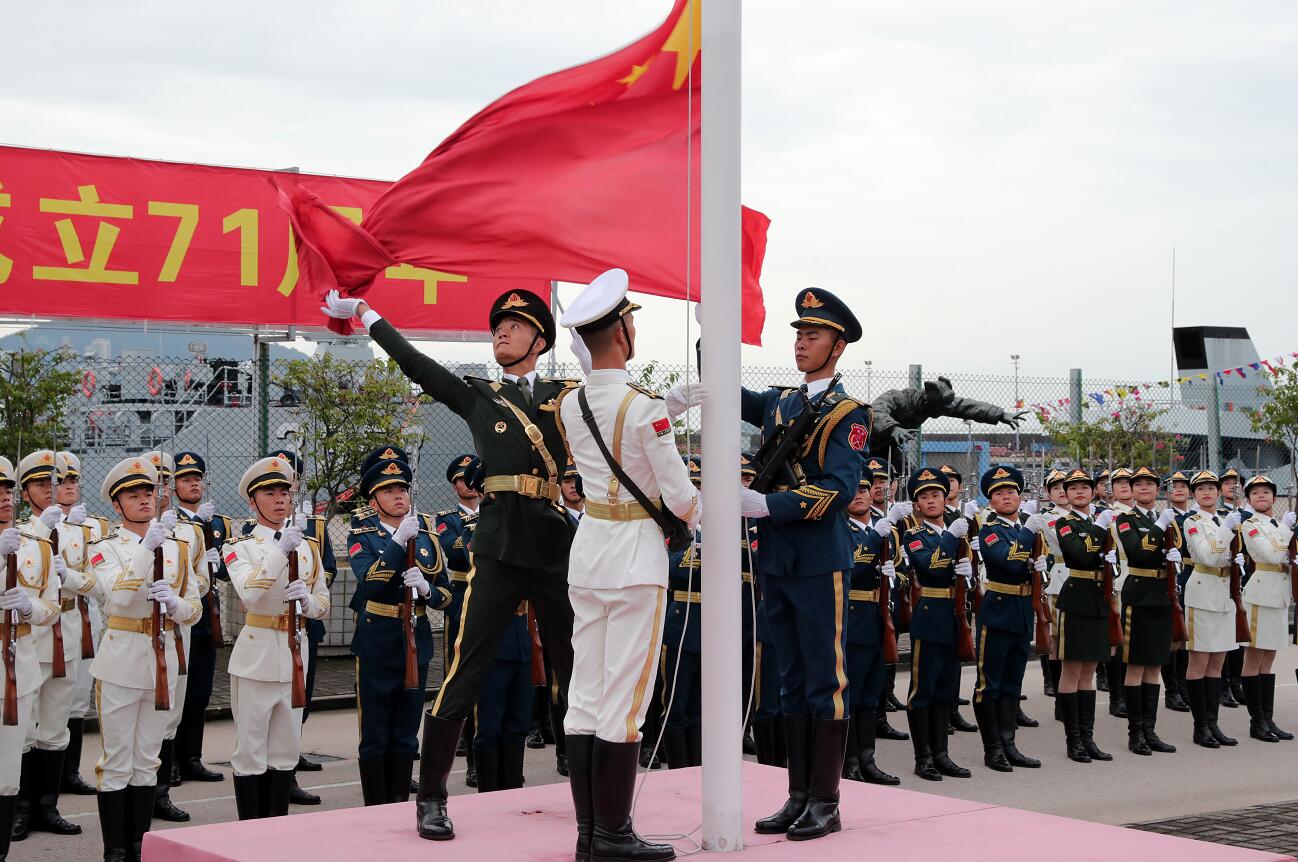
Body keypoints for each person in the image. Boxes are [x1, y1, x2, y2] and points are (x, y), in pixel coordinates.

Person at [322, 285, 702, 841]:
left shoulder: (565, 396)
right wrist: (367, 315)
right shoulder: (479, 395)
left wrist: (674, 403)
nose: (500, 331)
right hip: (498, 547)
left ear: (540, 340)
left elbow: (619, 406)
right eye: (496, 325)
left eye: (514, 325)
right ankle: (430, 797)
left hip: (554, 548)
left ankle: (598, 808)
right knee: (464, 669)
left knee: (581, 669)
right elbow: (416, 364)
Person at [557, 269, 701, 862]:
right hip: (636, 558)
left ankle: (591, 833)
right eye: (631, 321)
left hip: (589, 551)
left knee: (586, 694)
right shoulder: (645, 410)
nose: (633, 328)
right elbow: (681, 499)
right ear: (621, 332)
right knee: (626, 696)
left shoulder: (569, 404)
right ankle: (614, 835)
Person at [739, 288, 870, 841]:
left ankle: (827, 800)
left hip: (818, 561)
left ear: (837, 347)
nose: (801, 343)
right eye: (797, 334)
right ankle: (797, 796)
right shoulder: (781, 403)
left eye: (812, 335)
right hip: (777, 560)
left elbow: (840, 490)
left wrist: (769, 504)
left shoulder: (849, 415)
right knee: (789, 680)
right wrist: (710, 331)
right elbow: (730, 391)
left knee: (826, 681)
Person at [87, 457, 203, 861]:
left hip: (163, 659)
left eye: (148, 493)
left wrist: (175, 605)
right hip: (121, 662)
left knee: (147, 759)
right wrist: (145, 549)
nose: (143, 501)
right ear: (116, 506)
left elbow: (195, 609)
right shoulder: (103, 549)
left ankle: (139, 846)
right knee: (117, 760)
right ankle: (115, 851)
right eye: (132, 496)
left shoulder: (179, 548)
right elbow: (117, 597)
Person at [224, 456, 330, 819]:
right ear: (253, 502)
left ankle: (274, 835)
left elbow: (322, 605)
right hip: (257, 657)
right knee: (251, 752)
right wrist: (280, 550)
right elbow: (250, 594)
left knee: (285, 750)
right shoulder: (240, 546)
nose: (279, 498)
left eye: (284, 491)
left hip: (295, 653)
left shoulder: (308, 547)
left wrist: (307, 600)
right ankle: (249, 834)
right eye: (270, 492)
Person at [347, 447, 453, 805]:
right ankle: (376, 807)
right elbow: (371, 584)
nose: (399, 496)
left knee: (408, 730)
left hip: (416, 640)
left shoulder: (427, 537)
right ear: (373, 499)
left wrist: (426, 590)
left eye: (403, 489)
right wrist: (395, 544)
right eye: (389, 491)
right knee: (376, 732)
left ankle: (398, 804)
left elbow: (448, 595)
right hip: (378, 640)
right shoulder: (361, 535)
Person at [12, 450, 95, 839]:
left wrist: (72, 577)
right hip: (32, 639)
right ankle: (19, 809)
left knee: (57, 724)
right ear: (25, 493)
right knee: (26, 727)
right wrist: (43, 534)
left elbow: (95, 582)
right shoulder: (18, 536)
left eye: (56, 483)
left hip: (70, 630)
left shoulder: (82, 532)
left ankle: (48, 805)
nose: (51, 490)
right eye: (42, 484)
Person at [264, 446, 336, 801]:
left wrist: (308, 597)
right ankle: (274, 774)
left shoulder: (316, 527)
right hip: (269, 628)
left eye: (289, 480)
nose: (282, 493)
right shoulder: (253, 532)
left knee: (299, 700)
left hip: (306, 624)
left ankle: (289, 768)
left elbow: (329, 569)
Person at [0, 456, 61, 859]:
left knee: (6, 773)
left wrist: (28, 609)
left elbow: (51, 607)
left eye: (7, 490)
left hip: (17, 665)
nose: (5, 498)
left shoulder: (35, 547)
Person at [140, 451, 206, 823]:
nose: (162, 490)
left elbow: (202, 581)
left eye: (167, 483)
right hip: (137, 633)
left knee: (170, 712)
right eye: (156, 484)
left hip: (177, 629)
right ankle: (137, 791)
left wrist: (179, 599)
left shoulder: (190, 532)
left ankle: (160, 794)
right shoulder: (127, 534)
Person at [900, 467, 974, 781]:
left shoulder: (958, 534)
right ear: (917, 504)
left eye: (936, 495)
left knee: (946, 688)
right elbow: (931, 567)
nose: (931, 501)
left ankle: (942, 754)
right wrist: (951, 539)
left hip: (953, 616)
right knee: (923, 690)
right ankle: (924, 757)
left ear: (946, 498)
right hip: (929, 615)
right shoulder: (914, 536)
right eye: (924, 496)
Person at [972, 465, 1043, 772]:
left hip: (1022, 609)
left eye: (1011, 492)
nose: (1006, 497)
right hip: (998, 609)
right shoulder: (989, 530)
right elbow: (1009, 562)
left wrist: (1040, 560)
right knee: (990, 683)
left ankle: (1009, 744)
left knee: (1013, 682)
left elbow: (1037, 563)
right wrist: (1028, 535)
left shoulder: (1024, 530)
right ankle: (993, 749)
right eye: (999, 493)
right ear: (991, 501)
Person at [171, 452, 233, 785]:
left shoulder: (218, 522)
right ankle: (173, 761)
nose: (193, 483)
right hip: (180, 613)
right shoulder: (169, 521)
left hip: (208, 611)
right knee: (178, 689)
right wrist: (195, 527)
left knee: (200, 690)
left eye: (197, 478)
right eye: (185, 478)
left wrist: (216, 563)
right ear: (173, 485)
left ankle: (192, 756)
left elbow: (224, 571)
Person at [842, 468, 906, 786]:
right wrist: (874, 537)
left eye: (864, 489)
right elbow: (852, 567)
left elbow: (898, 572)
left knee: (871, 695)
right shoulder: (841, 529)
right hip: (851, 618)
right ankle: (849, 761)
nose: (859, 494)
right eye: (853, 489)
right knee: (851, 694)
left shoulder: (885, 532)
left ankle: (868, 759)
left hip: (878, 618)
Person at [1112, 467, 1181, 756]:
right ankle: (1135, 733)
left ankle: (1150, 731)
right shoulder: (1125, 519)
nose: (1143, 488)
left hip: (1162, 596)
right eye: (1137, 484)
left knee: (1154, 665)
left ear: (1157, 489)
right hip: (1139, 594)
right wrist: (1158, 527)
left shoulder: (1168, 518)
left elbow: (1176, 546)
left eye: (1149, 484)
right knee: (1136, 665)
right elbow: (1138, 552)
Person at [54, 452, 109, 799]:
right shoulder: (38, 525)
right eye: (63, 482)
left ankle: (69, 772)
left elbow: (98, 575)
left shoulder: (96, 526)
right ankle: (45, 779)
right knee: (52, 700)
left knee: (77, 700)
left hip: (85, 616)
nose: (70, 486)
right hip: (51, 618)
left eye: (73, 480)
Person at [1052, 468, 1115, 763]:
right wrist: (1101, 530)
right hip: (1076, 595)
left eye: (1084, 488)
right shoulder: (1065, 523)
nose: (1079, 492)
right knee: (1072, 669)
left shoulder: (1101, 520)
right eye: (1073, 488)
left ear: (1092, 492)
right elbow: (1079, 554)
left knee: (1089, 671)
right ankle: (1073, 740)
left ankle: (1088, 738)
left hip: (1098, 597)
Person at [1180, 470, 1240, 749]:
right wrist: (1227, 530)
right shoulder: (1192, 522)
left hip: (1226, 593)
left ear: (1218, 492)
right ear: (1194, 494)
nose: (1207, 492)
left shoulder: (1225, 518)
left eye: (1211, 488)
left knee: (1218, 662)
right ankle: (1200, 726)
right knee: (1199, 661)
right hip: (1202, 593)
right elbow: (1206, 555)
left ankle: (1213, 723)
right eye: (1200, 488)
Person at [434, 455, 482, 785]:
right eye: (463, 480)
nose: (470, 484)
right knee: (462, 672)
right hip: (465, 590)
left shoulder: (497, 509)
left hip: (498, 590)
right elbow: (454, 550)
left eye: (474, 478)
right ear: (456, 485)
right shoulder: (447, 519)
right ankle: (470, 752)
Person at [1237, 475, 1295, 742]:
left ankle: (1268, 718)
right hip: (1261, 596)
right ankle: (1256, 721)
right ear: (1248, 500)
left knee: (1269, 659)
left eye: (1266, 492)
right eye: (1255, 493)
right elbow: (1272, 555)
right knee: (1254, 659)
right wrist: (1286, 529)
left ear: (1274, 497)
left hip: (1280, 594)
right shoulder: (1249, 525)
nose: (1261, 496)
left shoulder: (1276, 525)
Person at [661, 457, 704, 770]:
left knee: (703, 705)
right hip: (681, 625)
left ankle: (699, 766)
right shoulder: (667, 526)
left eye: (701, 486)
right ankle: (678, 766)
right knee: (678, 700)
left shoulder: (722, 526)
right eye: (693, 487)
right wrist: (693, 551)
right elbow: (668, 568)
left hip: (713, 626)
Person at [937, 464, 979, 735]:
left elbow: (974, 550)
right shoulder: (929, 516)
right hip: (938, 591)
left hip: (962, 588)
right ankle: (941, 710)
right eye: (945, 482)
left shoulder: (965, 515)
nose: (950, 485)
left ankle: (952, 706)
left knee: (958, 650)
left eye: (953, 480)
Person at [1162, 470, 1194, 713]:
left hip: (1196, 577)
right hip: (1176, 576)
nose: (1179, 490)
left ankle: (1184, 686)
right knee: (1174, 637)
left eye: (1184, 486)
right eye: (1174, 486)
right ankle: (1172, 689)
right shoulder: (1166, 518)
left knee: (1186, 638)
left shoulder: (1195, 517)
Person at [1039, 470, 1071, 711]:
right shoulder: (1048, 518)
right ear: (1048, 494)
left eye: (1065, 486)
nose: (1062, 491)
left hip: (1085, 580)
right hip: (1060, 580)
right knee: (1057, 638)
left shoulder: (1087, 516)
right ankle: (1060, 695)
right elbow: (1064, 543)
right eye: (1056, 487)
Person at [1217, 467, 1245, 709]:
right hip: (1224, 576)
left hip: (1245, 577)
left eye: (1236, 484)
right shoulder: (1218, 515)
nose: (1232, 487)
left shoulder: (1248, 515)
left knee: (1240, 635)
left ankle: (1237, 682)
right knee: (1226, 635)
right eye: (1227, 484)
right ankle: (1224, 684)